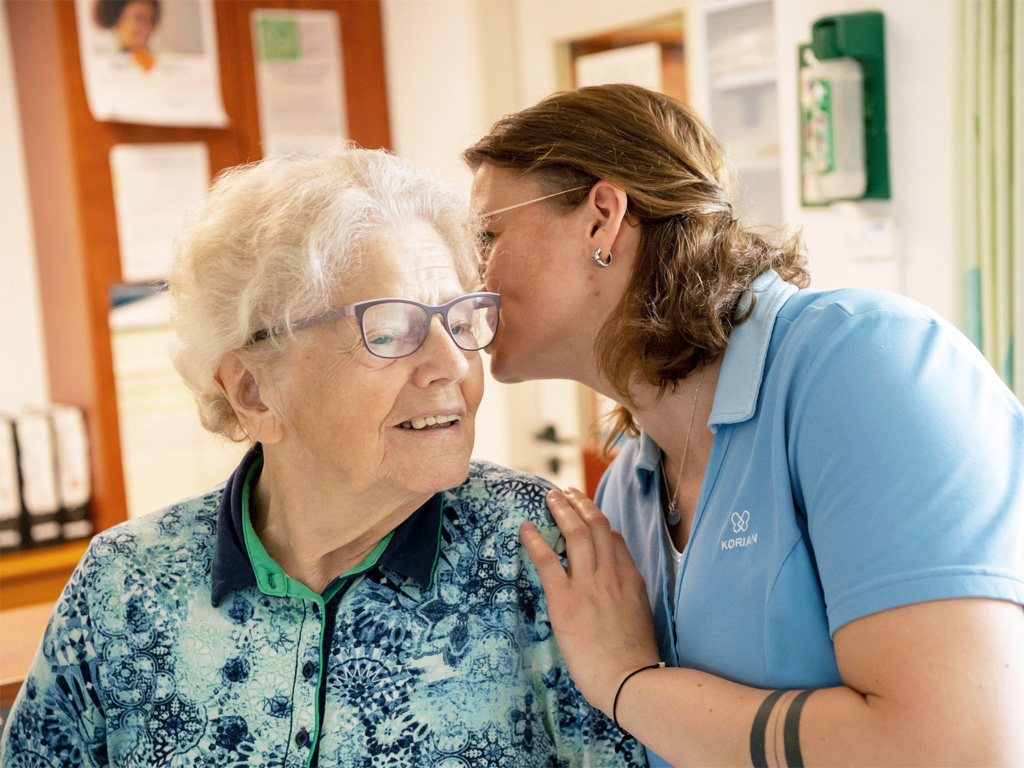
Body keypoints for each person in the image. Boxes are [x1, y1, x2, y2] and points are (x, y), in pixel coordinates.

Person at [0, 148, 645, 767]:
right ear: (253, 391)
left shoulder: (540, 549)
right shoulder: (123, 585)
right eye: (390, 331)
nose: (454, 365)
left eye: (458, 320)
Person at [465, 83, 1024, 767]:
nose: (471, 276)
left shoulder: (865, 362)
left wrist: (630, 685)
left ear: (602, 218)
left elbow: (954, 749)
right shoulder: (625, 499)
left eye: (487, 236)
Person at [95, 0, 160, 72]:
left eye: (152, 20)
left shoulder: (161, 61)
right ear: (118, 19)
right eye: (139, 18)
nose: (148, 26)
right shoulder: (100, 61)